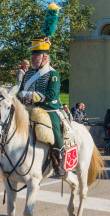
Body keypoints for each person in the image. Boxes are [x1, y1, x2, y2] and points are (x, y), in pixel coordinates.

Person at [18, 36, 65, 177]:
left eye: (36, 56)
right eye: (32, 55)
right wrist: (22, 96)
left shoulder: (53, 74)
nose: (33, 58)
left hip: (48, 108)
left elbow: (51, 95)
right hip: (27, 107)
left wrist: (31, 96)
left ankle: (59, 157)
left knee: (55, 127)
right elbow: (20, 90)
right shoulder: (28, 74)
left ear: (45, 57)